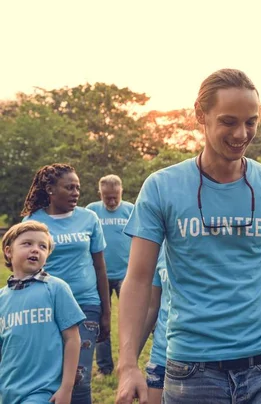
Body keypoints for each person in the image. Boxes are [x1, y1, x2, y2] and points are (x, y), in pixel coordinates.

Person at [115, 68, 261, 404]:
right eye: (228, 121)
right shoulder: (162, 187)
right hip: (192, 371)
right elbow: (137, 279)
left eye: (251, 121)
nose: (241, 133)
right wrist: (127, 366)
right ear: (200, 115)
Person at [21, 163, 111, 404]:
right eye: (69, 187)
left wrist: (106, 312)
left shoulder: (89, 218)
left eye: (78, 188)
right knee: (51, 374)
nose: (76, 193)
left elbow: (100, 267)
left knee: (79, 377)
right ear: (50, 189)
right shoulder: (33, 221)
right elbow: (25, 266)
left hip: (85, 305)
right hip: (46, 304)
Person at [0, 221, 85, 404]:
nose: (35, 249)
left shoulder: (56, 288)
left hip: (44, 391)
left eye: (42, 246)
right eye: (27, 243)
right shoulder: (2, 298)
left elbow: (72, 338)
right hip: (8, 391)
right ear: (8, 251)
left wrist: (66, 388)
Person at [86, 174, 134, 376]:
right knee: (101, 321)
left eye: (115, 197)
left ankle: (130, 363)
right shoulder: (92, 211)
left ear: (121, 191)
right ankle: (104, 368)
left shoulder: (131, 210)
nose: (112, 201)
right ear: (100, 194)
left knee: (131, 320)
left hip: (127, 274)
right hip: (100, 276)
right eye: (108, 198)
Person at [138, 246, 169, 404]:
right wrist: (130, 361)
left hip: (201, 360)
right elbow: (152, 306)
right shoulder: (159, 249)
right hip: (162, 355)